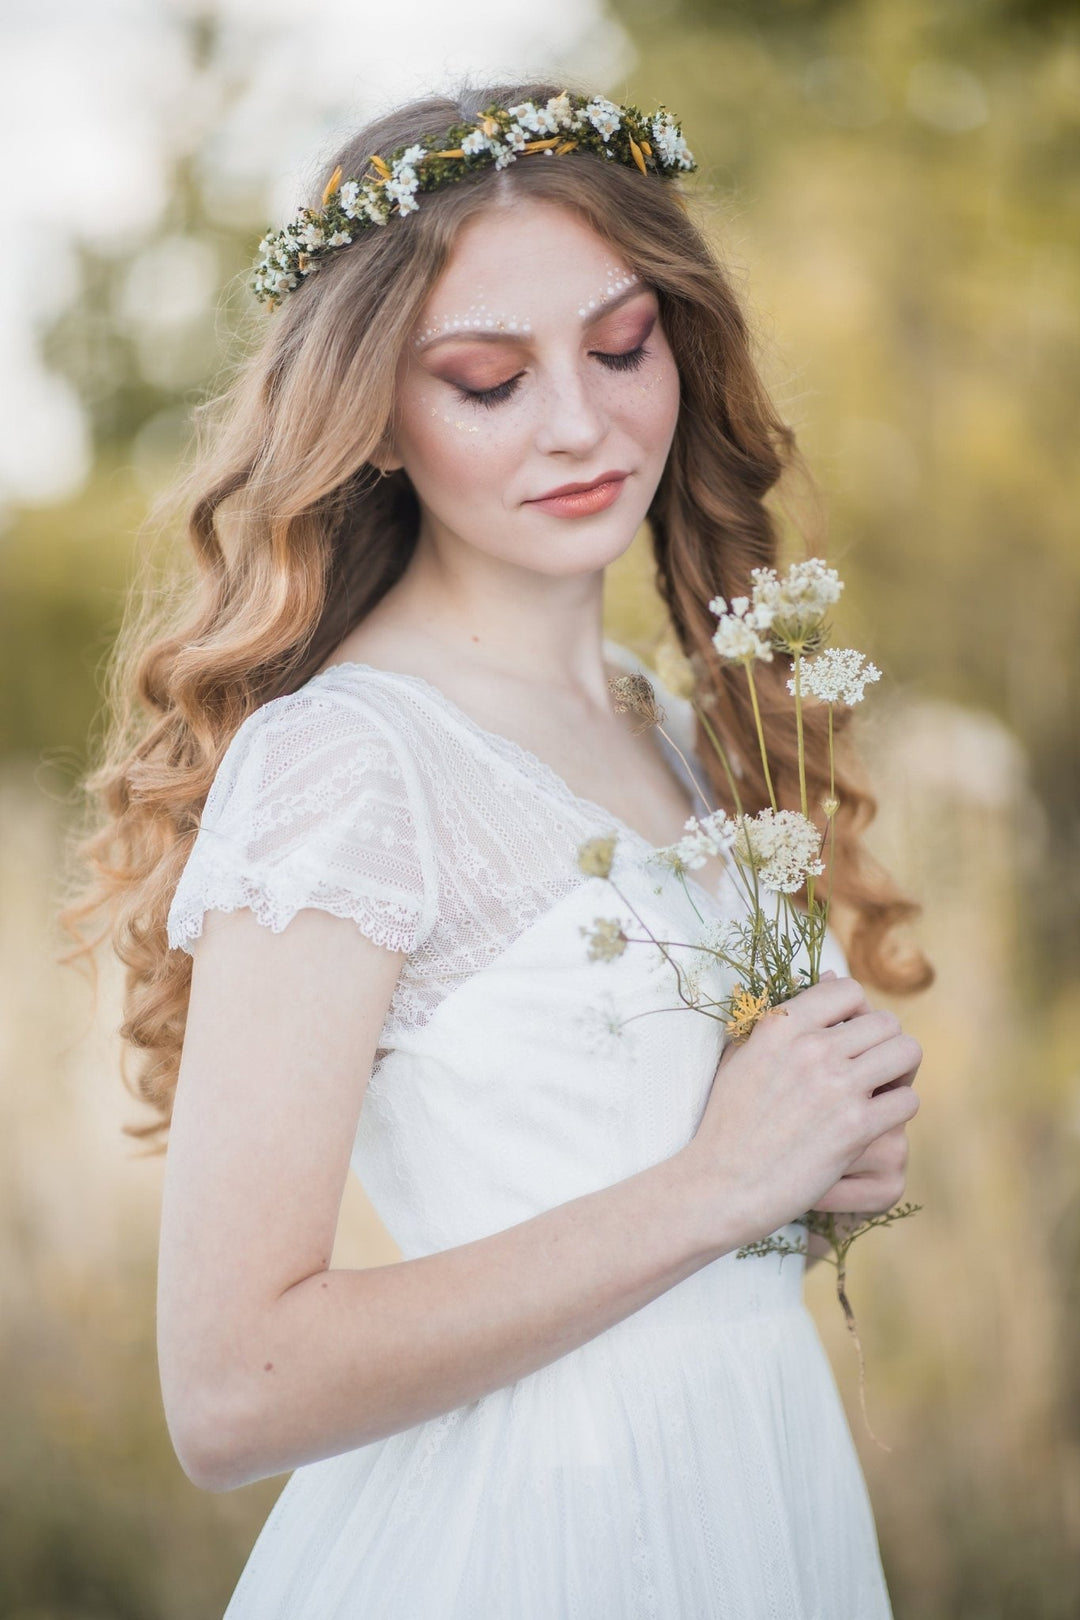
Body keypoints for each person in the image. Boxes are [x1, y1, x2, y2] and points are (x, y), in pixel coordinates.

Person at [64, 81, 932, 1617]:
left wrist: (806, 1178)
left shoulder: (665, 719)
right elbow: (230, 1389)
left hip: (749, 1490)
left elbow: (643, 1222)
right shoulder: (350, 764)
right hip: (527, 1540)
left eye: (621, 347)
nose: (581, 424)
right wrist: (721, 1185)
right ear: (375, 421)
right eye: (486, 380)